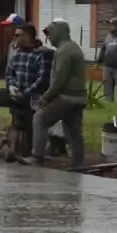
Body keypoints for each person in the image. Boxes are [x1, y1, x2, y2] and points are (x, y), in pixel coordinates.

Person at [0, 23, 47, 150]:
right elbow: (9, 73)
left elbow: (42, 80)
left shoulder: (41, 54)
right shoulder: (16, 53)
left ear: (27, 37)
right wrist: (11, 87)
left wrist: (25, 93)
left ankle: (32, 150)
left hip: (32, 97)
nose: (14, 38)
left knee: (28, 123)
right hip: (15, 92)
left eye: (17, 35)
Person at [32, 19, 88, 168]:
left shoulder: (64, 51)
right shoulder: (72, 47)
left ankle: (37, 157)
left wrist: (46, 97)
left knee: (40, 117)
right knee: (73, 131)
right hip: (79, 98)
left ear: (59, 32)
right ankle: (78, 163)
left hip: (66, 97)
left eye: (50, 33)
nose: (48, 37)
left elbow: (59, 79)